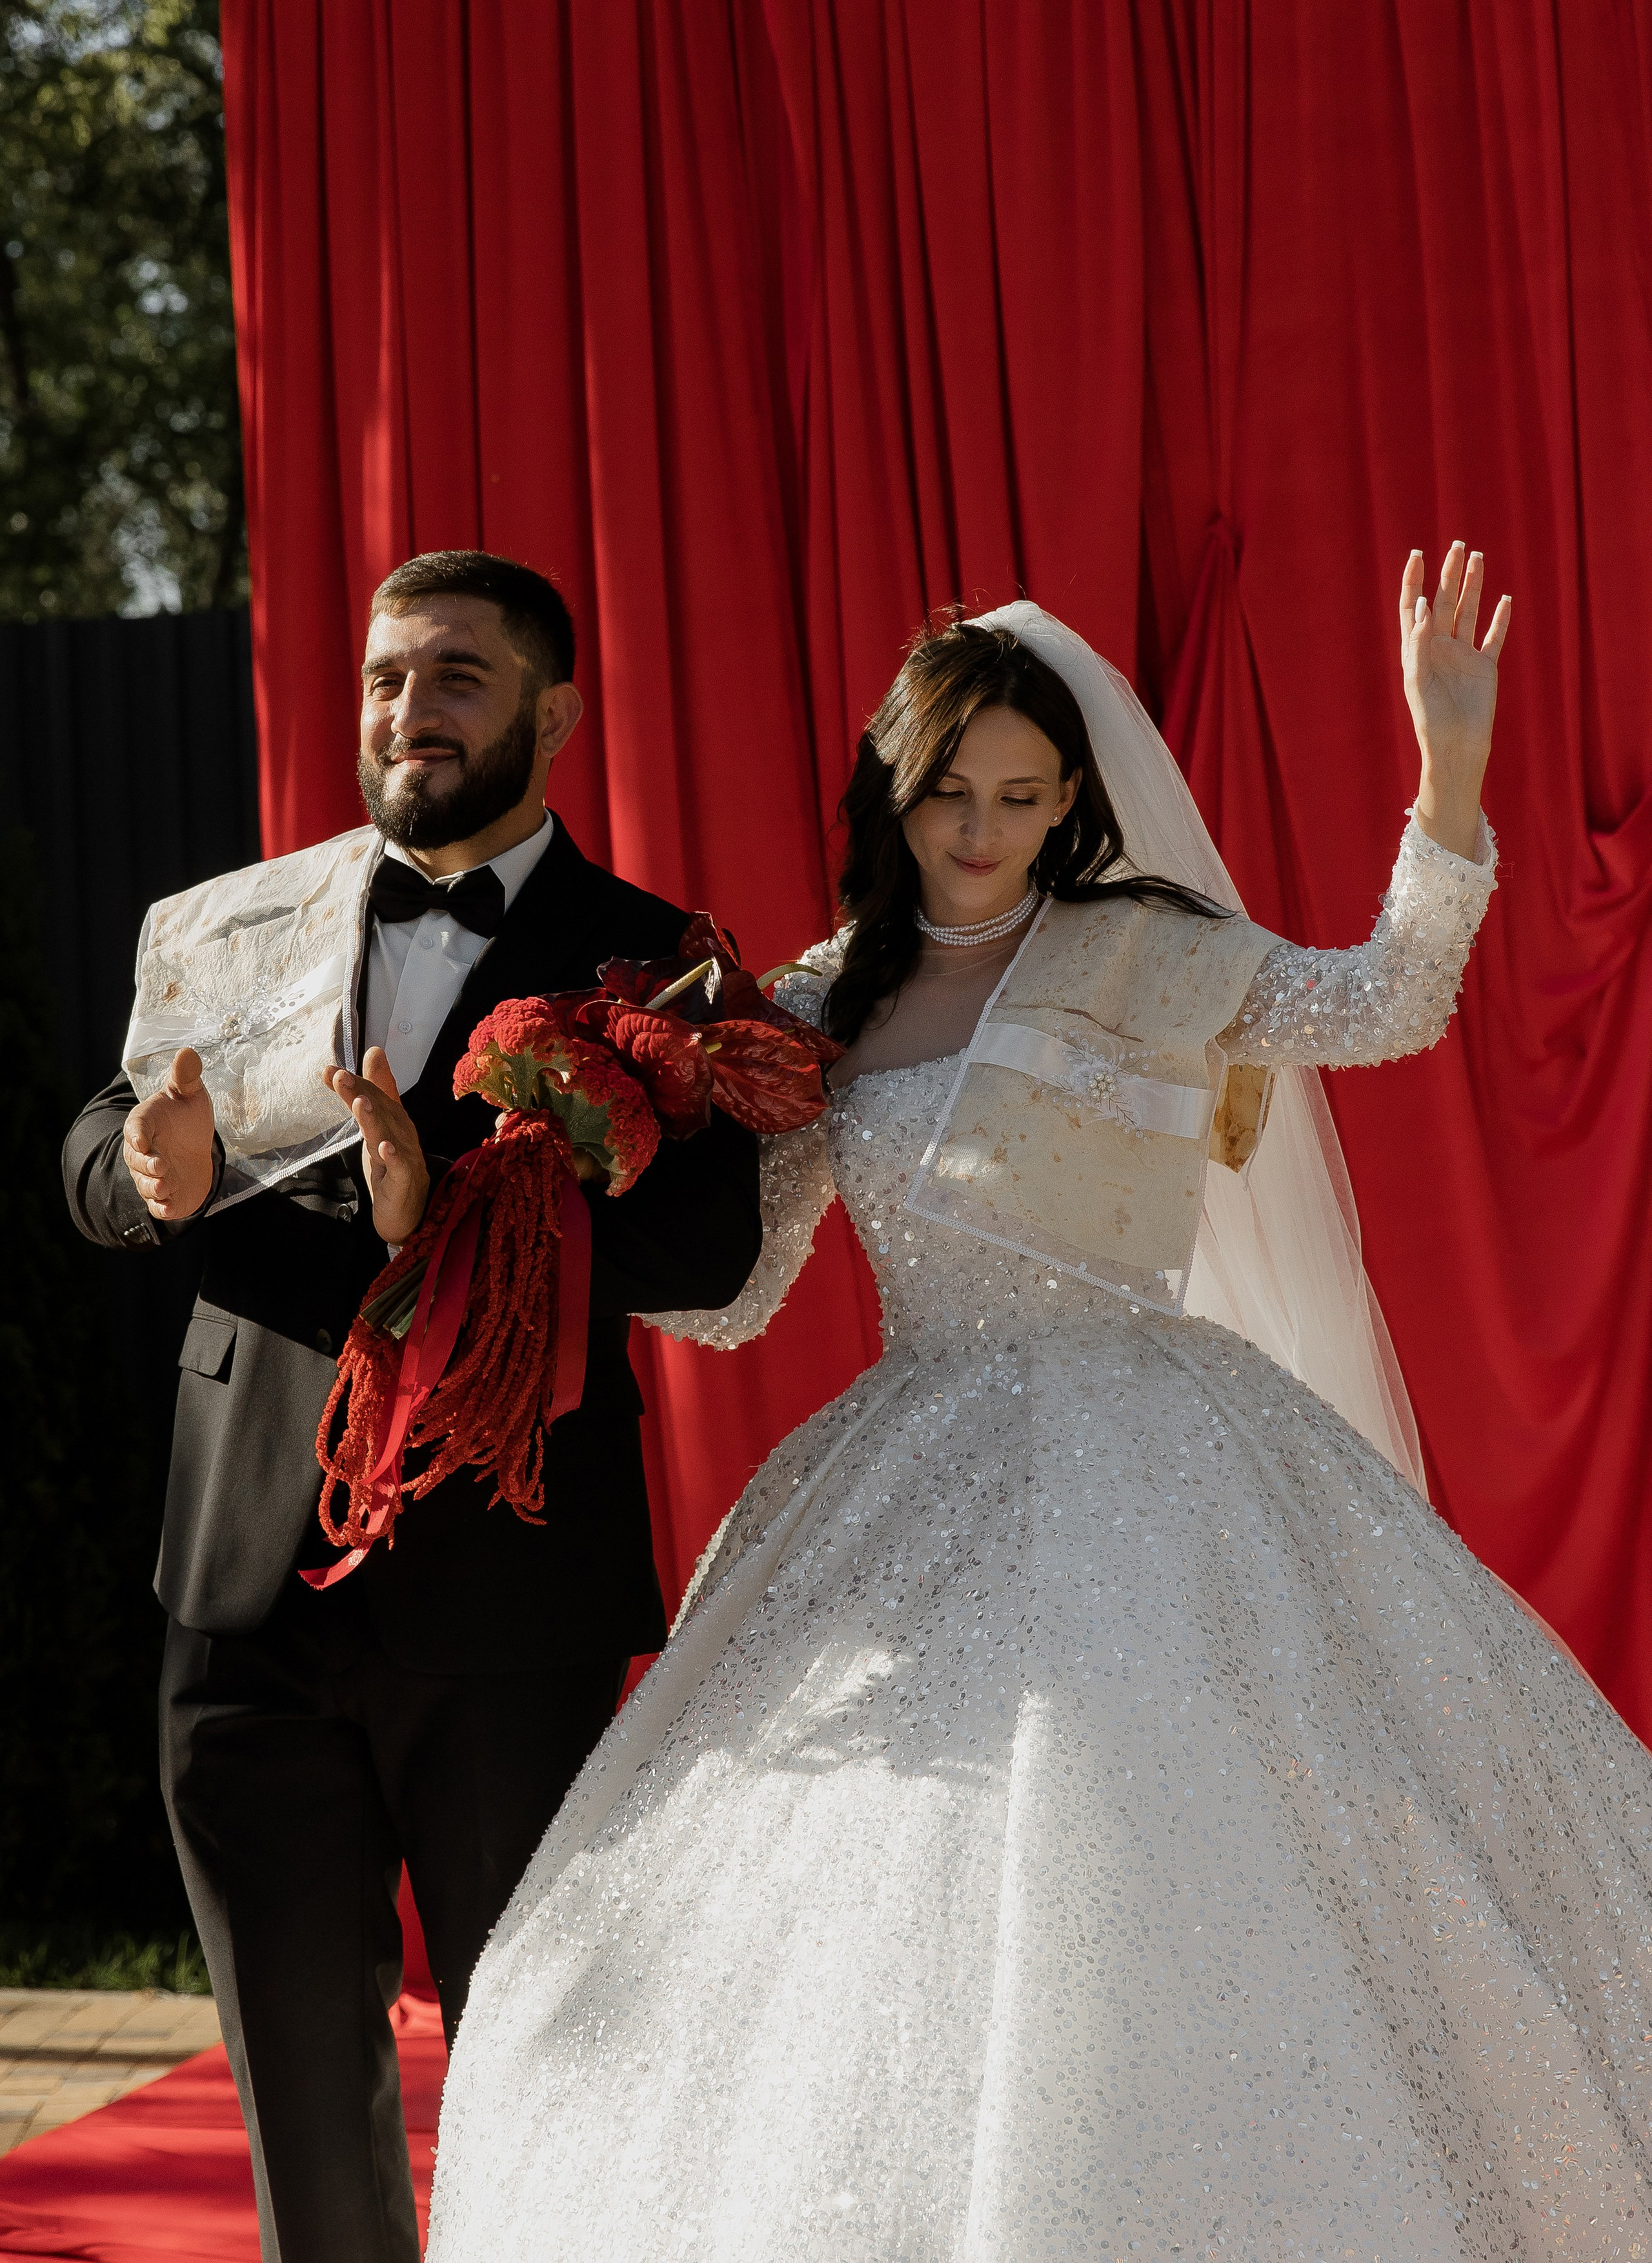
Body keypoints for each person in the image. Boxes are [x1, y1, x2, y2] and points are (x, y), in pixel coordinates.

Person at [428, 548, 1652, 2258]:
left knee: (1167, 1866)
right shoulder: (816, 1002)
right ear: (896, 788)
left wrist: (1449, 771)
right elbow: (743, 1296)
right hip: (908, 1468)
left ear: (1073, 797)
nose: (982, 830)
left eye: (1020, 796)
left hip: (1164, 1458)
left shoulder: (1149, 951)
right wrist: (579, 1177)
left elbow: (1388, 1001)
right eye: (951, 794)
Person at [61, 551, 761, 2263]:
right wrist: (146, 1180)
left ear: (556, 713)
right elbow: (96, 1138)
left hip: (506, 1595)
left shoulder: (656, 961)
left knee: (542, 2071)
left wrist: (442, 1224)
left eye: (458, 675)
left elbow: (709, 1247)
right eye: (387, 676)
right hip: (241, 1580)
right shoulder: (245, 920)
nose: (409, 711)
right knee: (299, 2093)